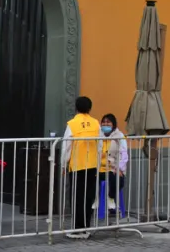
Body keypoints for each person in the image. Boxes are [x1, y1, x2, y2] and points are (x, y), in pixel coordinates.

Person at [61, 101, 129, 239]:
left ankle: (77, 230)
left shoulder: (72, 124)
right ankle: (86, 228)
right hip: (93, 166)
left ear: (76, 108)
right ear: (90, 108)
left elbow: (66, 146)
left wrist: (63, 164)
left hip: (77, 165)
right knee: (88, 198)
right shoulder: (95, 124)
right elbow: (99, 144)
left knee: (77, 198)